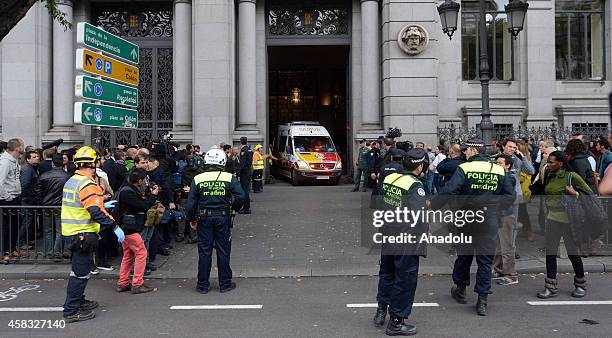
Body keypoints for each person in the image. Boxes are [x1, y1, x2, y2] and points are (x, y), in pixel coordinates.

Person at [433, 139, 514, 316]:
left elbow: (449, 190)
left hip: (467, 219)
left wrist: (431, 207)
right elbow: (510, 196)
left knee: (464, 256)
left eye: (466, 151)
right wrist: (495, 209)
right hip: (489, 220)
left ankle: (461, 289)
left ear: (473, 150)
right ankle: (482, 300)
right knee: (485, 261)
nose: (464, 154)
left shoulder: (465, 168)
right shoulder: (498, 169)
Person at [61, 146, 125, 323]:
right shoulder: (89, 184)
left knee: (79, 271)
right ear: (94, 164)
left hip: (72, 233)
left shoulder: (73, 180)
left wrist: (102, 202)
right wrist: (114, 226)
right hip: (82, 234)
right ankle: (72, 310)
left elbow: (83, 204)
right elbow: (95, 212)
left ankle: (79, 302)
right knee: (80, 273)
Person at [373, 148, 429, 336]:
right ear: (419, 166)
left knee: (387, 273)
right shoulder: (415, 185)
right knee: (404, 278)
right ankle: (396, 322)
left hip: (389, 233)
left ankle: (381, 310)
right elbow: (419, 217)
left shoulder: (390, 178)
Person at [185, 148, 245, 294]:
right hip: (223, 217)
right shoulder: (229, 177)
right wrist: (234, 209)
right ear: (223, 161)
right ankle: (225, 284)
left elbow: (191, 203)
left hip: (204, 218)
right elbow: (241, 197)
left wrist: (191, 219)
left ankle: (202, 285)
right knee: (223, 250)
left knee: (204, 252)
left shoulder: (198, 178)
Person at [537, 151, 590, 299]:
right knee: (550, 253)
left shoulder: (571, 176)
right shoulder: (548, 174)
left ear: (560, 163)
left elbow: (589, 193)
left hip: (569, 220)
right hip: (552, 218)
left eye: (552, 161)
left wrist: (575, 194)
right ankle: (550, 287)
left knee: (573, 253)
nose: (549, 164)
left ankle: (580, 284)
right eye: (548, 161)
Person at [115, 168, 159, 294]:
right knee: (141, 253)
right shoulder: (128, 192)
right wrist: (153, 196)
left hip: (125, 228)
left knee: (128, 255)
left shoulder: (127, 189)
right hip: (129, 228)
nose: (145, 182)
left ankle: (123, 282)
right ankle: (137, 283)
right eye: (144, 179)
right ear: (139, 181)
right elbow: (143, 206)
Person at [34, 154, 70, 261]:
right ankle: (57, 252)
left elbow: (37, 190)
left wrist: (42, 201)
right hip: (61, 205)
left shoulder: (44, 175)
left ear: (53, 164)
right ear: (63, 163)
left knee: (48, 229)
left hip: (47, 205)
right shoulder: (67, 176)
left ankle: (50, 252)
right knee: (60, 230)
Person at [492, 154, 519, 285]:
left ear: (507, 165)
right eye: (496, 163)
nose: (497, 165)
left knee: (506, 246)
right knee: (498, 245)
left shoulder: (509, 177)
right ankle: (499, 269)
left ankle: (511, 274)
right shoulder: (499, 176)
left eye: (500, 163)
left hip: (505, 215)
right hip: (498, 214)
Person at [0, 138, 24, 265]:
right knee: (6, 226)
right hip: (7, 199)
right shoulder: (5, 162)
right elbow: (0, 182)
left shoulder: (14, 161)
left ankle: (12, 248)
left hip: (15, 197)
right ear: (17, 148)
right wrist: (7, 196)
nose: (23, 148)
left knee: (15, 224)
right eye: (22, 146)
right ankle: (5, 252)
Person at [18, 150, 40, 255]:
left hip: (29, 199)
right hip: (26, 200)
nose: (37, 158)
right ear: (28, 159)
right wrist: (27, 197)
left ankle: (25, 240)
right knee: (26, 221)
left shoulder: (32, 168)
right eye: (34, 157)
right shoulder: (27, 169)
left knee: (28, 221)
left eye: (37, 156)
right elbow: (24, 185)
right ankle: (21, 243)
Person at [236, 136, 253, 214]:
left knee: (245, 190)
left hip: (244, 172)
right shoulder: (249, 149)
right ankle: (247, 206)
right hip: (248, 170)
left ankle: (246, 207)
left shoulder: (243, 150)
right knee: (247, 189)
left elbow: (242, 163)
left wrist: (238, 173)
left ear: (240, 142)